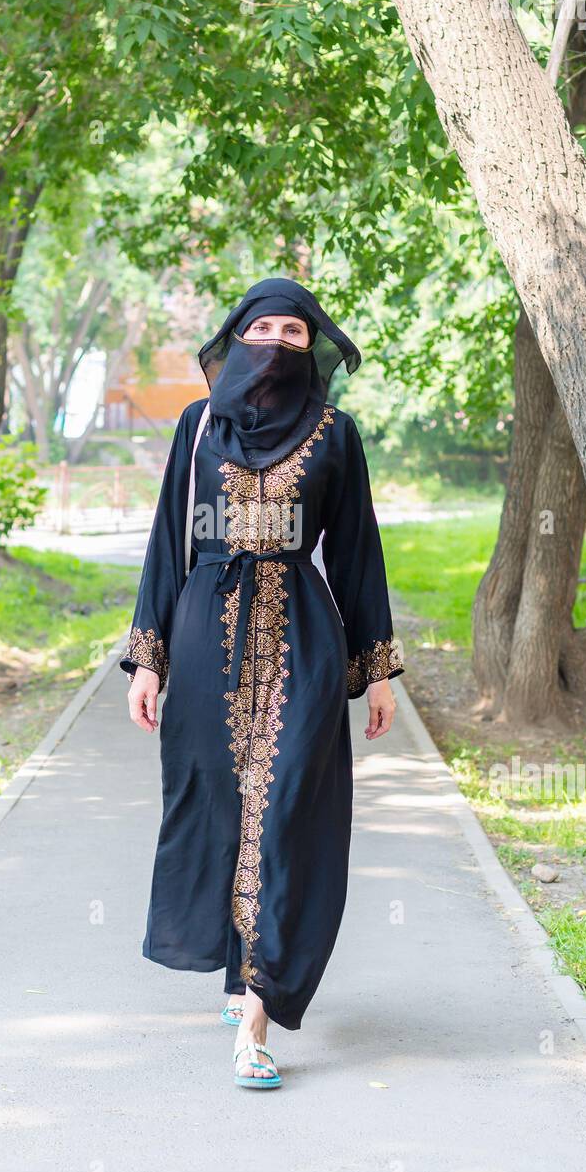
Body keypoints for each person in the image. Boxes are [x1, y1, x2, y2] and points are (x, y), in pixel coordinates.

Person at [120, 277, 404, 1089]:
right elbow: (166, 544)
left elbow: (355, 553)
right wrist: (149, 658)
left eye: (295, 330)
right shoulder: (198, 426)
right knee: (215, 797)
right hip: (206, 633)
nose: (279, 342)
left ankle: (258, 1015)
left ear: (314, 345)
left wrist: (376, 671)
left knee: (286, 813)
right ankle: (239, 962)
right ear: (236, 336)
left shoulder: (335, 433)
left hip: (304, 641)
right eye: (265, 327)